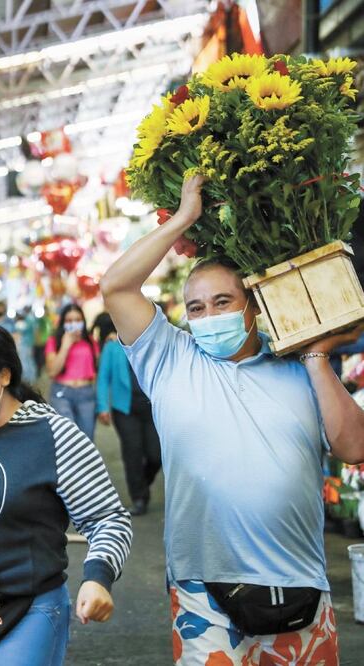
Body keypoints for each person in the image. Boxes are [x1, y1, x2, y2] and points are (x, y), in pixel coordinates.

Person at [100, 175, 364, 664]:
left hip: (301, 581)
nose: (208, 316)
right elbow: (115, 285)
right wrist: (183, 219)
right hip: (203, 591)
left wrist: (317, 357)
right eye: (195, 308)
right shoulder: (170, 358)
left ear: (252, 306)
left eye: (223, 302)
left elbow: (354, 448)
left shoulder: (296, 363)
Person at [0, 320, 132, 665]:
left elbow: (107, 518)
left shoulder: (53, 434)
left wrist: (98, 577)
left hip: (26, 611)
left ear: (3, 375)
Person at [95, 312, 161, 516]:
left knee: (156, 455)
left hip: (151, 406)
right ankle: (139, 497)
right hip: (124, 409)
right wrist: (102, 407)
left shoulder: (150, 343)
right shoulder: (112, 346)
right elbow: (103, 378)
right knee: (132, 452)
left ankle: (142, 482)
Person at [45, 303, 100, 437]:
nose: (74, 323)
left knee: (87, 438)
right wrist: (65, 345)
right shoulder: (54, 341)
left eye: (77, 320)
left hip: (86, 394)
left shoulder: (90, 341)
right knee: (67, 438)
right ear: (63, 322)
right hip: (62, 394)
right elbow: (52, 371)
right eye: (69, 320)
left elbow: (97, 368)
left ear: (83, 321)